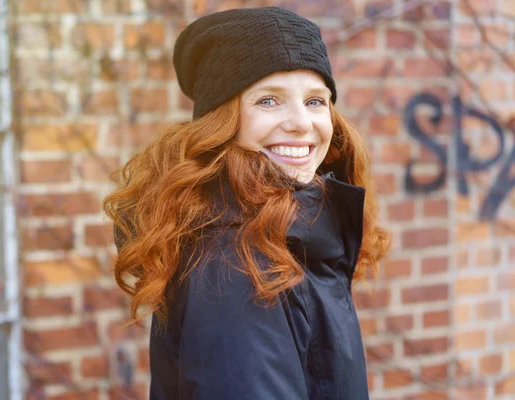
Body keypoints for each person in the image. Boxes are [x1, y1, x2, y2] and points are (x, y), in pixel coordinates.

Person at [103, 6, 390, 399]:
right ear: (221, 124)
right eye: (269, 101)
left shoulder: (285, 231)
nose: (301, 123)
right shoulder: (234, 263)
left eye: (315, 101)